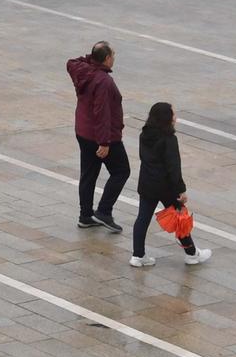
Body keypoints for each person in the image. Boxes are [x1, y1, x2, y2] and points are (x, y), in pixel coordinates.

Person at [131, 102, 213, 267]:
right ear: (166, 118)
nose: (175, 117)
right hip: (165, 187)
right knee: (180, 217)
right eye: (173, 114)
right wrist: (181, 190)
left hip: (147, 183)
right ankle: (191, 254)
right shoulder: (169, 139)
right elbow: (173, 167)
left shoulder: (144, 135)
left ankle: (137, 255)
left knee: (142, 218)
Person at [67, 41, 127, 232]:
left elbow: (72, 61)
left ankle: (85, 216)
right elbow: (101, 112)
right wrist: (105, 142)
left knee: (89, 174)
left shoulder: (83, 70)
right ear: (107, 58)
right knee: (121, 171)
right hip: (100, 135)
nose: (114, 59)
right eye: (113, 56)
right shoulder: (103, 81)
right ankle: (103, 211)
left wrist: (92, 58)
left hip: (83, 131)